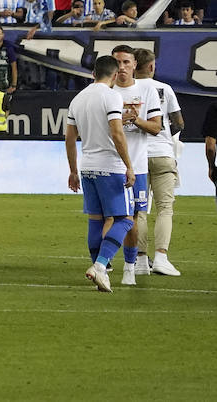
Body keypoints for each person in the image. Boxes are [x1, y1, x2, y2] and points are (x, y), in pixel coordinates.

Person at [65, 55, 134, 293]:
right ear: (114, 75)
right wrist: (129, 165)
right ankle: (100, 265)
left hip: (87, 166)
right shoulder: (112, 96)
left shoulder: (78, 99)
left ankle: (99, 273)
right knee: (125, 220)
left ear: (94, 73)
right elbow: (116, 133)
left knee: (96, 220)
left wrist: (73, 170)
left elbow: (70, 139)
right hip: (110, 166)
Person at [108, 44, 162, 287]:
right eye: (117, 63)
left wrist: (135, 119)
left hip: (137, 165)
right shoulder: (105, 90)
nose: (121, 68)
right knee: (110, 215)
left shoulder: (147, 89)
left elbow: (156, 127)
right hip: (110, 163)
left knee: (135, 216)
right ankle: (105, 262)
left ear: (134, 65)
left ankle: (132, 264)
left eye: (126, 63)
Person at [133, 48, 183, 277]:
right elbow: (178, 121)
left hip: (137, 156)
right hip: (162, 153)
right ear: (151, 66)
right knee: (165, 208)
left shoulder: (126, 89)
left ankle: (141, 261)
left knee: (139, 211)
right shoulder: (165, 89)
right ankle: (161, 257)